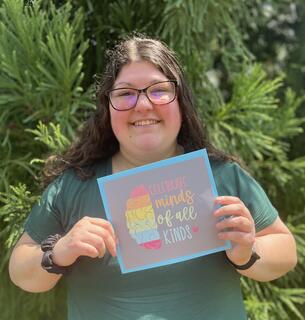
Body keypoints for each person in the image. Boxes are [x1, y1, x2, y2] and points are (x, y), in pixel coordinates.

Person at [9, 35, 297, 320]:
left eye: (159, 90)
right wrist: (59, 252)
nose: (143, 105)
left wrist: (249, 251)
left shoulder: (222, 177)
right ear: (107, 107)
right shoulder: (73, 187)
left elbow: (285, 251)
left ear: (180, 101)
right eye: (125, 93)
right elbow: (21, 270)